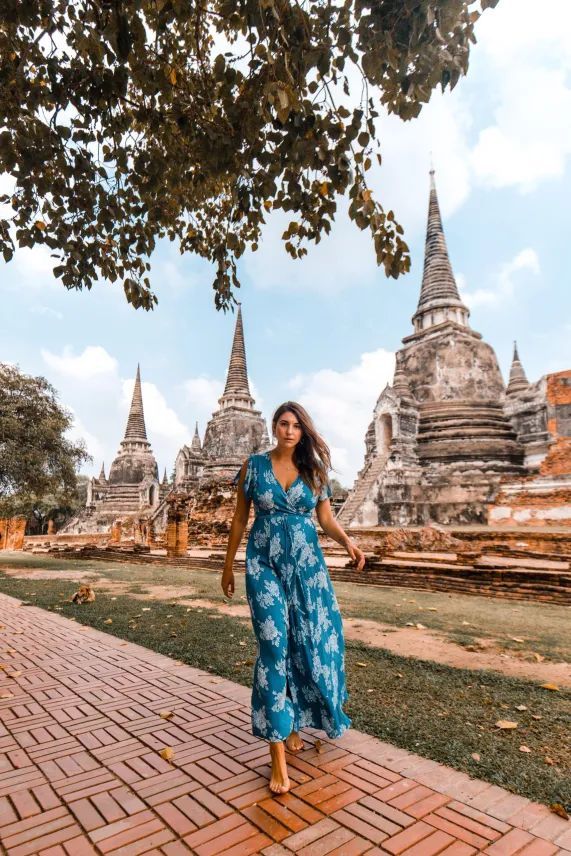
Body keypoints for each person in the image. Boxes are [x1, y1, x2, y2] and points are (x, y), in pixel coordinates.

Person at [221, 401, 366, 795]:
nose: (289, 431)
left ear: (303, 431)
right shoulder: (254, 467)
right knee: (273, 646)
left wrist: (349, 543)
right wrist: (227, 564)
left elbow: (326, 519)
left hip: (307, 572)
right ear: (273, 427)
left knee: (309, 644)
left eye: (296, 425)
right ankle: (277, 753)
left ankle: (294, 719)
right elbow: (239, 519)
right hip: (263, 566)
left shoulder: (314, 470)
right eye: (283, 424)